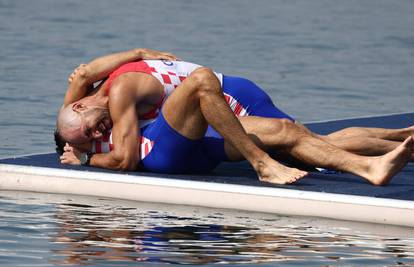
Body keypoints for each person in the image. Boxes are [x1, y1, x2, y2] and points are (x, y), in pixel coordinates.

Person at [56, 48, 413, 186]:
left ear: (79, 105)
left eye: (91, 128)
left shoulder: (109, 91)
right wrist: (85, 156)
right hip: (171, 140)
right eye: (89, 135)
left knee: (292, 135)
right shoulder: (91, 114)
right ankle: (262, 164)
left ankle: (387, 153)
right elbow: (126, 159)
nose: (99, 130)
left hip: (210, 114)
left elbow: (85, 73)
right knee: (202, 82)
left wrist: (148, 53)